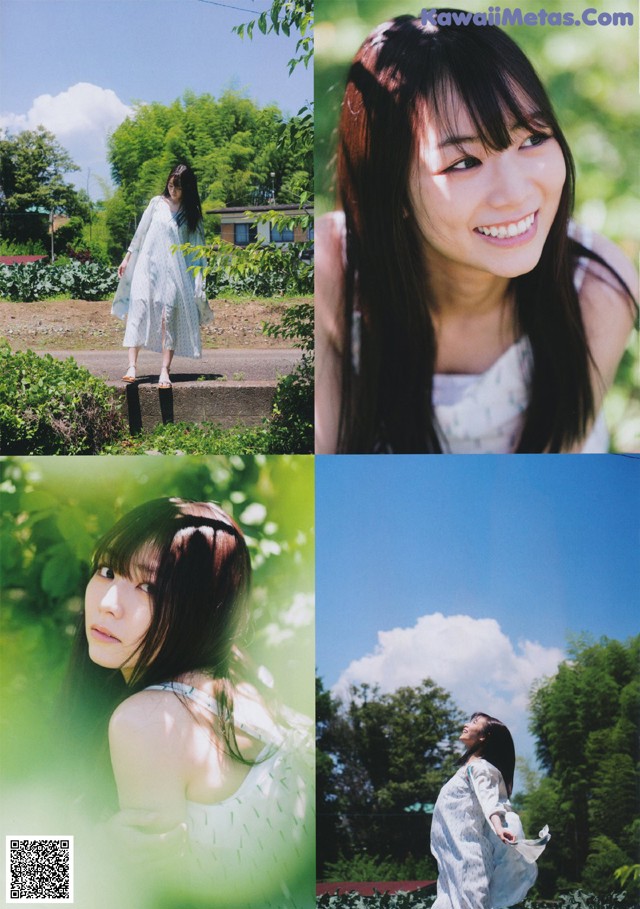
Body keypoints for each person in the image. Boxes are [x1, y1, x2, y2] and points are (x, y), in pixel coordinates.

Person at [315, 13, 638, 453]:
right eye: (464, 163)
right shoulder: (331, 275)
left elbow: (541, 496)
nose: (514, 193)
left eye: (532, 138)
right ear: (391, 190)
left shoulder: (596, 292)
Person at [64, 498, 313, 908]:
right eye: (107, 570)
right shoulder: (247, 684)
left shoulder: (150, 720)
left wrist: (90, 855)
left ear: (200, 610)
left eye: (149, 587)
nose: (109, 602)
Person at [431, 712, 550, 909]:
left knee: (470, 899)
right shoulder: (468, 768)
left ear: (483, 737)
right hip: (454, 851)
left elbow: (490, 800)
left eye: (474, 722)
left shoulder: (481, 768)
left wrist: (498, 827)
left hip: (468, 852)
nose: (466, 725)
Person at [112, 164, 213, 389]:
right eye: (171, 184)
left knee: (168, 315)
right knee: (138, 309)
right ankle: (131, 367)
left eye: (178, 186)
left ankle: (164, 370)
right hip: (147, 267)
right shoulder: (156, 204)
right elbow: (140, 232)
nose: (173, 189)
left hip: (174, 274)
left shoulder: (191, 215)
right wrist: (127, 258)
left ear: (187, 188)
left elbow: (198, 250)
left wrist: (198, 278)